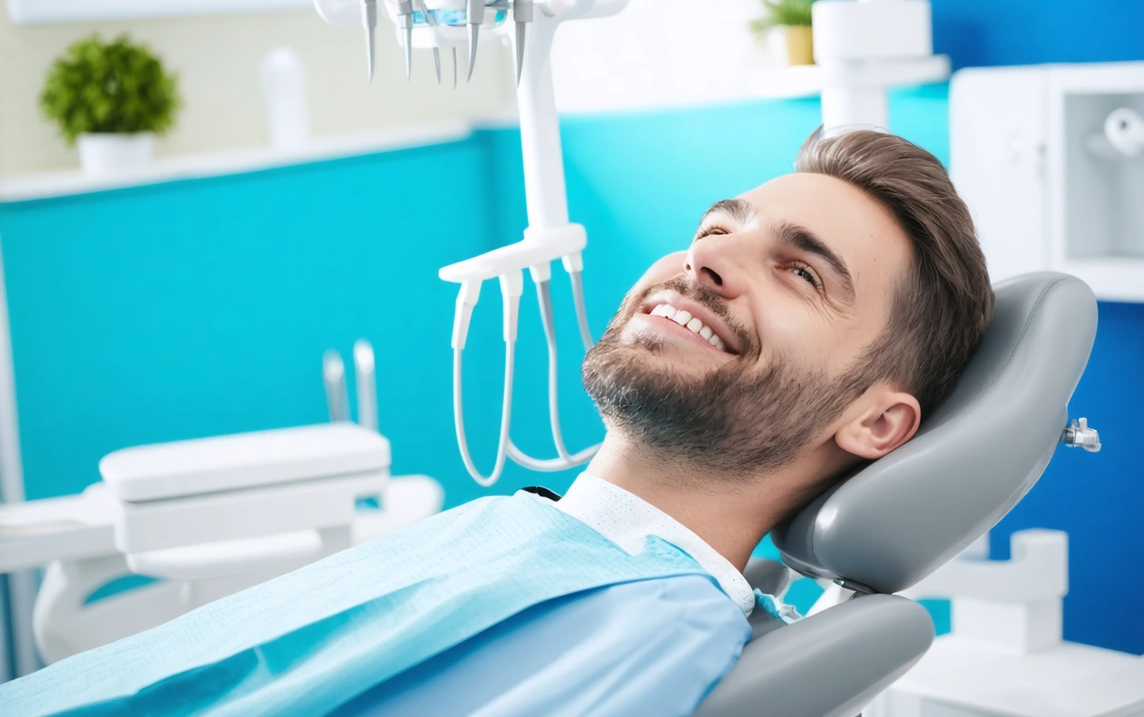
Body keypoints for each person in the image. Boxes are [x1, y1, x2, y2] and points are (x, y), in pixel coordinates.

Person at [0, 129, 993, 717]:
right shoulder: (533, 536)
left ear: (876, 422)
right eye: (714, 229)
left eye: (800, 272)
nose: (704, 260)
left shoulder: (650, 623)